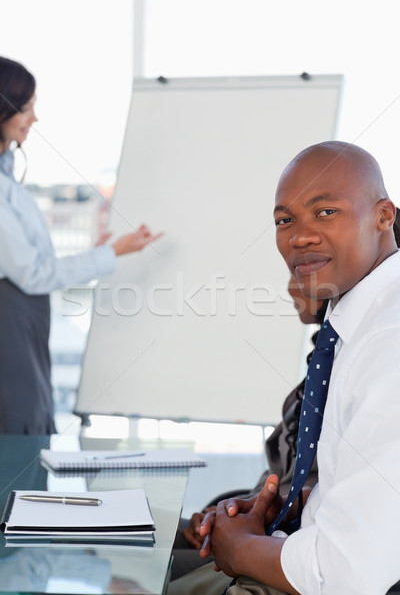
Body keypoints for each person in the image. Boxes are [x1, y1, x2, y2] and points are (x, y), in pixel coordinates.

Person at [195, 141, 400, 595]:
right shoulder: (354, 326)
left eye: (325, 212)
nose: (299, 236)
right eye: (284, 220)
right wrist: (286, 507)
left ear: (384, 216)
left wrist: (241, 549)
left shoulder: (389, 341)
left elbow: (349, 575)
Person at [0, 56, 162, 434]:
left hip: (23, 330)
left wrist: (100, 251)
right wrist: (113, 253)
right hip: (11, 335)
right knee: (20, 429)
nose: (35, 119)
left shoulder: (8, 179)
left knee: (31, 423)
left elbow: (27, 262)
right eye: (27, 109)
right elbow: (33, 274)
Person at [170, 276, 327, 581]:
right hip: (259, 521)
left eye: (302, 276)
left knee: (152, 566)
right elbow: (281, 475)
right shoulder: (323, 360)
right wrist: (224, 512)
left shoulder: (362, 368)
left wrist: (240, 524)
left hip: (284, 543)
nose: (290, 287)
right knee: (153, 535)